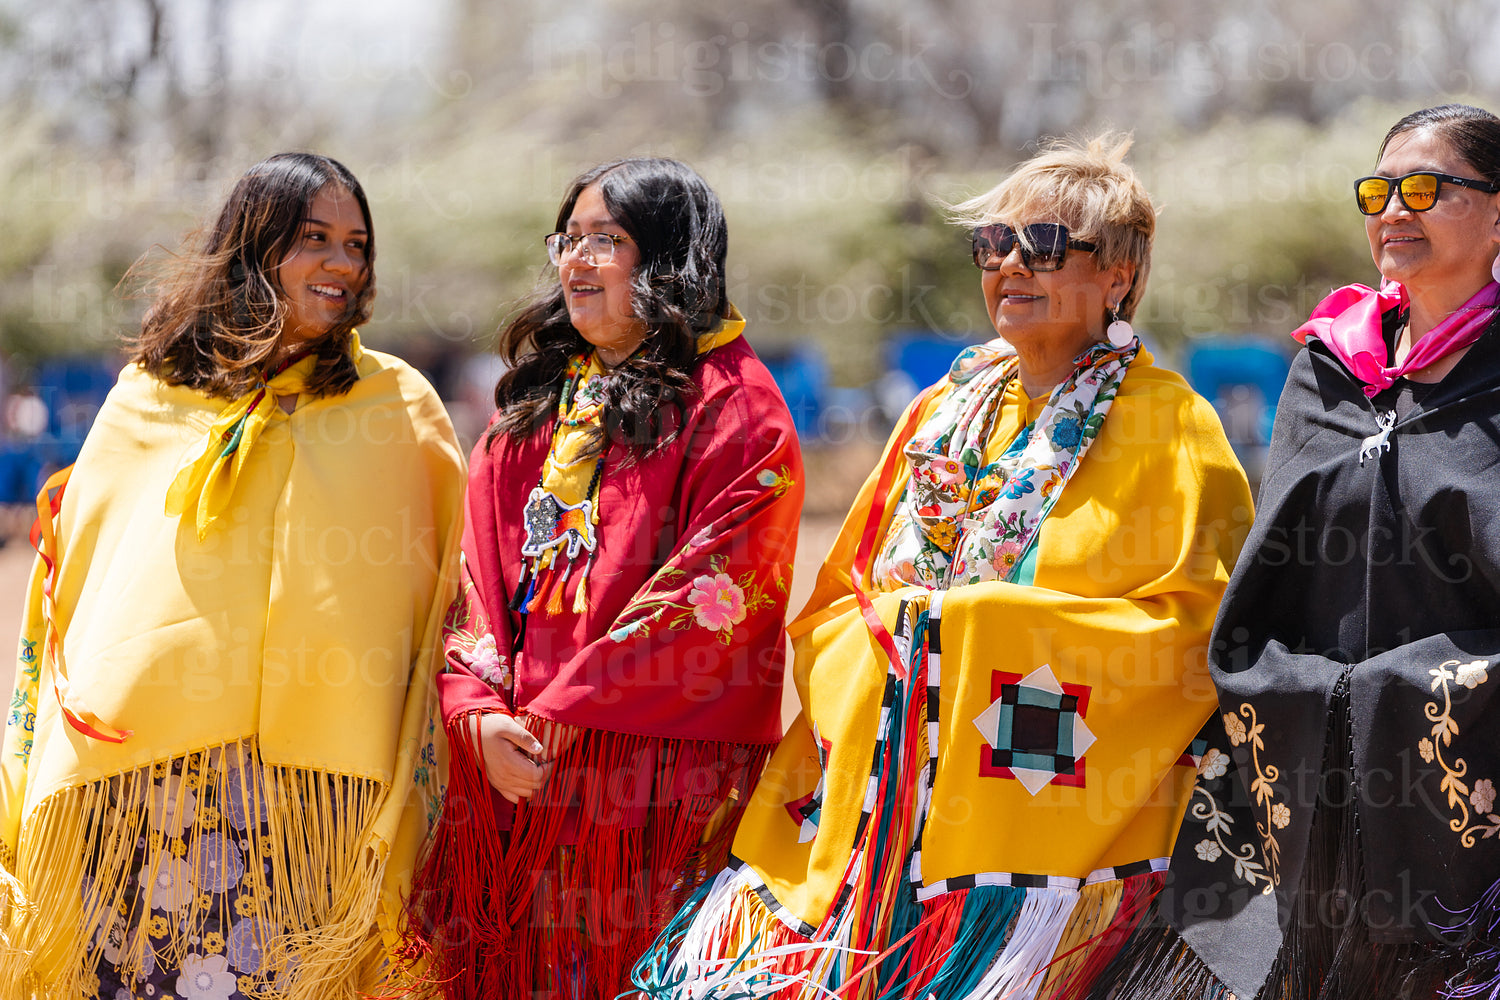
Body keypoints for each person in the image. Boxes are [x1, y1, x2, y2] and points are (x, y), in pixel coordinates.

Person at [632, 134, 1253, 1000]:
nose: (1010, 266)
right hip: (872, 806)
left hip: (1047, 827)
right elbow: (838, 600)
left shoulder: (1173, 428)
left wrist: (972, 630)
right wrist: (898, 645)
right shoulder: (942, 407)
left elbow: (1197, 639)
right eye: (993, 246)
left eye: (1042, 246)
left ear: (1118, 275)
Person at [0, 153, 466, 999]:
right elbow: (84, 575)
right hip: (144, 784)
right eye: (314, 239)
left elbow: (442, 596)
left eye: (357, 245)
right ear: (254, 245)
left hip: (318, 800)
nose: (341, 264)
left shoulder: (396, 406)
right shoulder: (155, 392)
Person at [1106, 103, 1500, 1000]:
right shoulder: (1329, 370)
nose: (1394, 209)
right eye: (1378, 191)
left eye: (1426, 188)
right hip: (1310, 756)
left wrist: (1427, 689)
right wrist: (1310, 692)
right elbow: (1269, 581)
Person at [400, 157, 803, 1000]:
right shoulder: (532, 408)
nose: (576, 262)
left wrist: (559, 720)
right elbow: (472, 570)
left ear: (667, 263)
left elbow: (716, 598)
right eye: (569, 240)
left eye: (605, 242)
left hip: (649, 787)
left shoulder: (738, 408)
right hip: (512, 770)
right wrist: (473, 713)